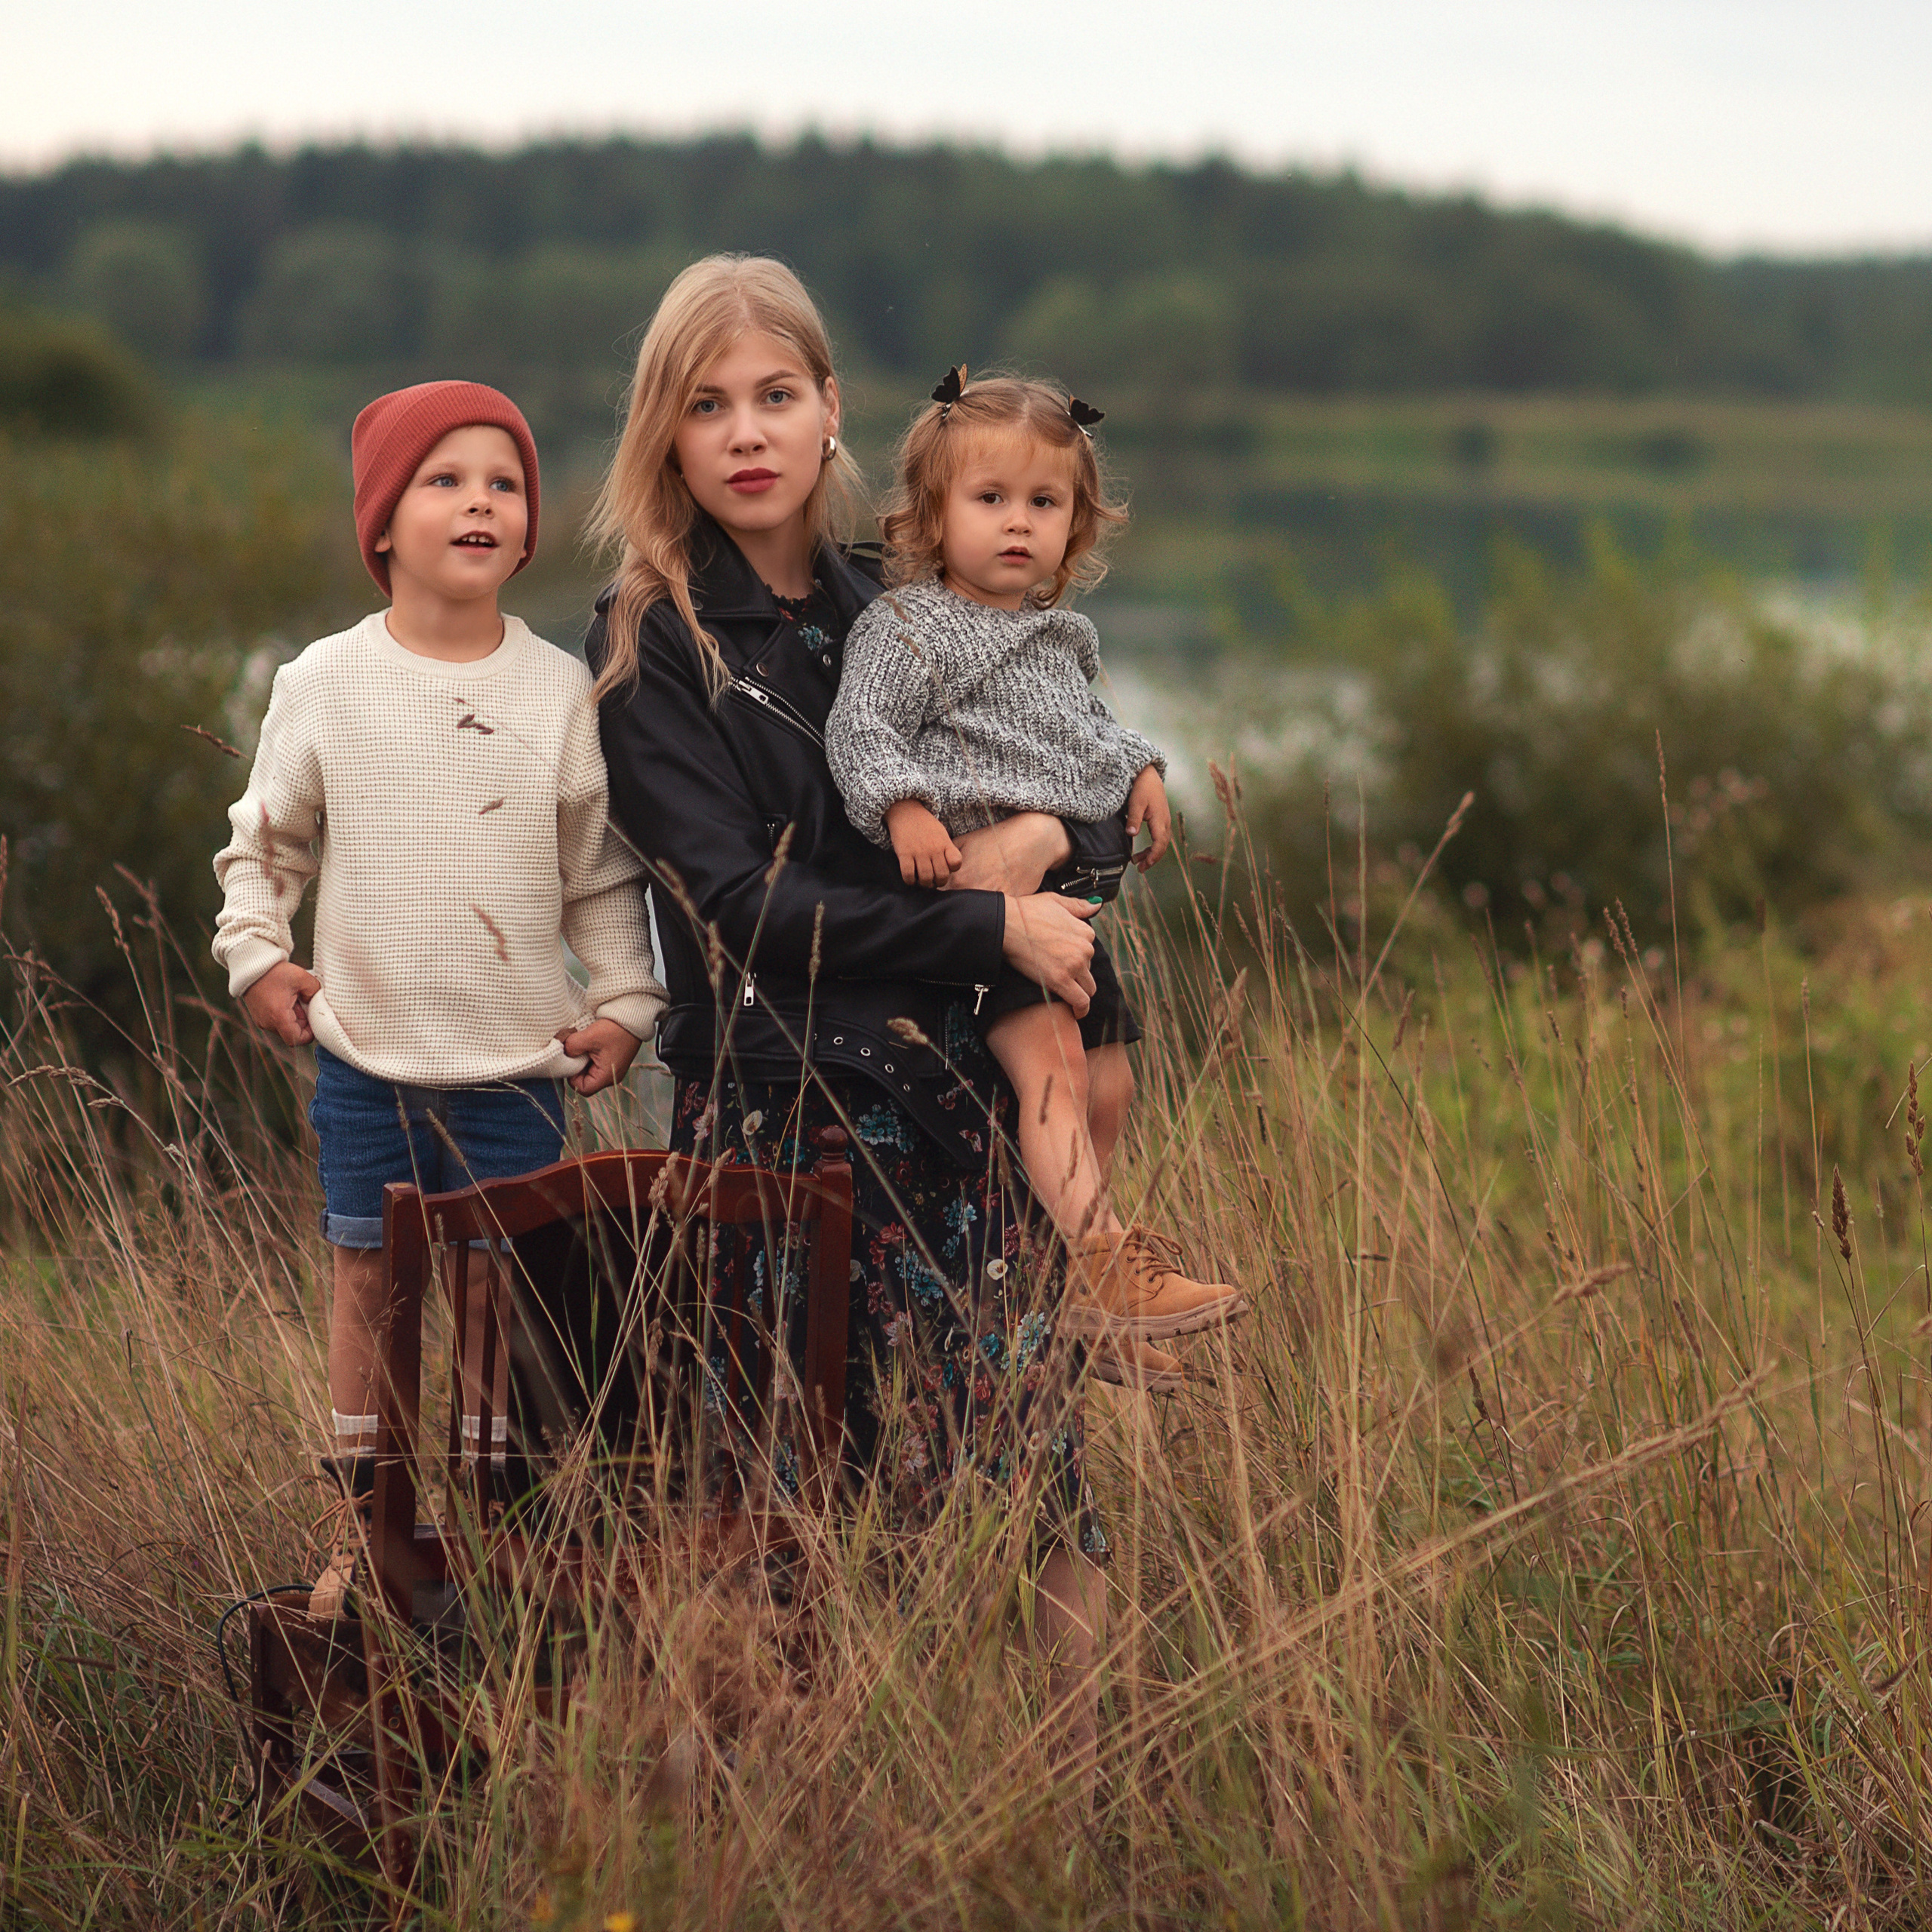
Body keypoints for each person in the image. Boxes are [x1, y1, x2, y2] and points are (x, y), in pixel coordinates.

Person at [585, 254, 1131, 1792]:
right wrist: (984, 922)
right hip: (783, 1116)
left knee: (1034, 1473)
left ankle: (1074, 1812)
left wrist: (1057, 842)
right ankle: (765, 1824)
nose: (746, 432)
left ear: (831, 407)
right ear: (668, 433)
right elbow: (738, 906)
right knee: (782, 1499)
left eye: (776, 395)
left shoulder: (901, 603)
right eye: (707, 406)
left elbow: (1072, 776)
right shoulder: (651, 641)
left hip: (958, 1102)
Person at [212, 380, 666, 1614]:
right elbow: (266, 843)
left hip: (517, 1064)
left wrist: (627, 999)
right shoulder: (326, 680)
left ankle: (490, 1535)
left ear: (527, 529)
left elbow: (598, 872)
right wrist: (257, 955)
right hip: (367, 1057)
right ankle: (363, 1535)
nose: (482, 502)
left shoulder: (559, 689)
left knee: (498, 1299)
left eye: (505, 483)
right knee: (370, 1284)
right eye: (447, 480)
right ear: (382, 521)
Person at [825, 370, 1244, 1367]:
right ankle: (1100, 1258)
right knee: (1050, 1063)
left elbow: (1082, 734)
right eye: (991, 498)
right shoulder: (909, 628)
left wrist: (1140, 764)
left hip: (1070, 905)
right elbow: (860, 729)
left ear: (1076, 526)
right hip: (991, 907)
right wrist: (904, 805)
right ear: (934, 514)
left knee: (1111, 1080)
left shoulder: (1059, 637)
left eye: (1045, 503)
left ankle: (1076, 1277)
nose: (1019, 523)